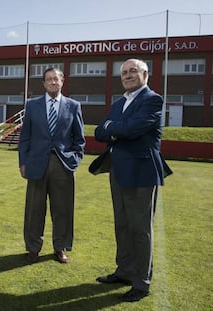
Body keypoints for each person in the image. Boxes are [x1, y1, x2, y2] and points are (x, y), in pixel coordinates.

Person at [93, 58, 172, 302]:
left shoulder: (152, 99)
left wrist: (113, 127)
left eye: (133, 71)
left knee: (140, 229)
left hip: (141, 171)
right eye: (124, 72)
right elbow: (99, 132)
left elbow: (133, 129)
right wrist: (116, 127)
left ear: (145, 74)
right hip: (118, 170)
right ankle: (125, 271)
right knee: (122, 225)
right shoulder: (119, 103)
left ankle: (141, 281)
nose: (127, 75)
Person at [18, 67, 85, 264]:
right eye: (49, 79)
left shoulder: (73, 106)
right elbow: (25, 138)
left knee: (62, 209)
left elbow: (79, 140)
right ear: (44, 83)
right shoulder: (32, 105)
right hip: (36, 164)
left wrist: (74, 160)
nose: (53, 82)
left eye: (56, 79)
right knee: (34, 210)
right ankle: (32, 248)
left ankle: (60, 247)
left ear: (62, 81)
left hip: (63, 165)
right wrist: (23, 162)